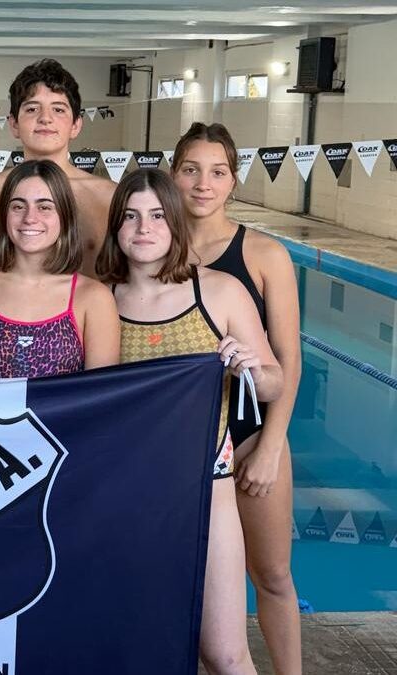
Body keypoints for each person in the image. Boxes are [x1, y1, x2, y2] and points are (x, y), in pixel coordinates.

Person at [97, 168, 284, 675]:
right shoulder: (100, 299)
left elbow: (274, 382)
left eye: (158, 216)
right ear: (116, 227)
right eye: (131, 217)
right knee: (135, 645)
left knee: (224, 653)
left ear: (176, 224)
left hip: (208, 492)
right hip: (128, 498)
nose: (144, 228)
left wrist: (249, 365)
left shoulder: (220, 293)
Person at [171, 122, 302, 675]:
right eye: (191, 170)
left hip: (250, 437)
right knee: (189, 583)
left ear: (233, 180)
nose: (203, 184)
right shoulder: (152, 247)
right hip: (181, 448)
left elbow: (288, 361)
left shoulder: (264, 254)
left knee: (270, 575)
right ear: (172, 174)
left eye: (218, 171)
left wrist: (271, 446)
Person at [0, 160, 119, 379]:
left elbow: (100, 398)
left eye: (44, 207)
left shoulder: (94, 297)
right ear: (4, 216)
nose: (30, 218)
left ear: (64, 217)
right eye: (18, 206)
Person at [0, 58, 114, 277]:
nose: (45, 118)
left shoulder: (108, 196)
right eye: (32, 109)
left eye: (59, 110)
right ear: (14, 124)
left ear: (76, 125)